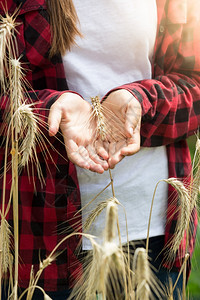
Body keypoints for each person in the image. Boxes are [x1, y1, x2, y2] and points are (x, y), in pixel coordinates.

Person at [0, 0, 200, 299]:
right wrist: (48, 110)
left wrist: (139, 101)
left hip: (154, 231)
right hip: (40, 240)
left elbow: (193, 81)